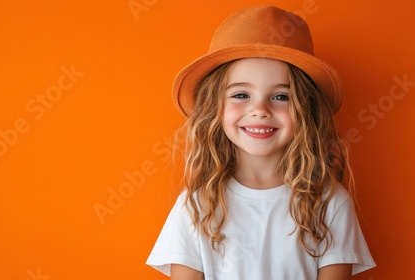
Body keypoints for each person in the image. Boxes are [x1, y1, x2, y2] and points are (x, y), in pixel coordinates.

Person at [146, 4, 376, 280]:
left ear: (306, 110)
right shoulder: (196, 206)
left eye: (281, 97)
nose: (260, 110)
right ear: (214, 107)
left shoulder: (329, 203)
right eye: (241, 95)